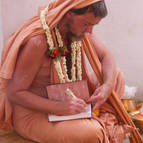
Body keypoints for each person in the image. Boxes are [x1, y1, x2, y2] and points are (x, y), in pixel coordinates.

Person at [0, 0, 133, 143]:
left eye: (93, 25)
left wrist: (106, 87)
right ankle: (106, 128)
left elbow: (107, 56)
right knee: (94, 133)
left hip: (72, 98)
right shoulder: (38, 41)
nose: (90, 31)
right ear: (69, 13)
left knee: (116, 76)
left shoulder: (78, 31)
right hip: (36, 114)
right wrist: (60, 107)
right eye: (87, 24)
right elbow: (14, 93)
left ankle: (103, 125)